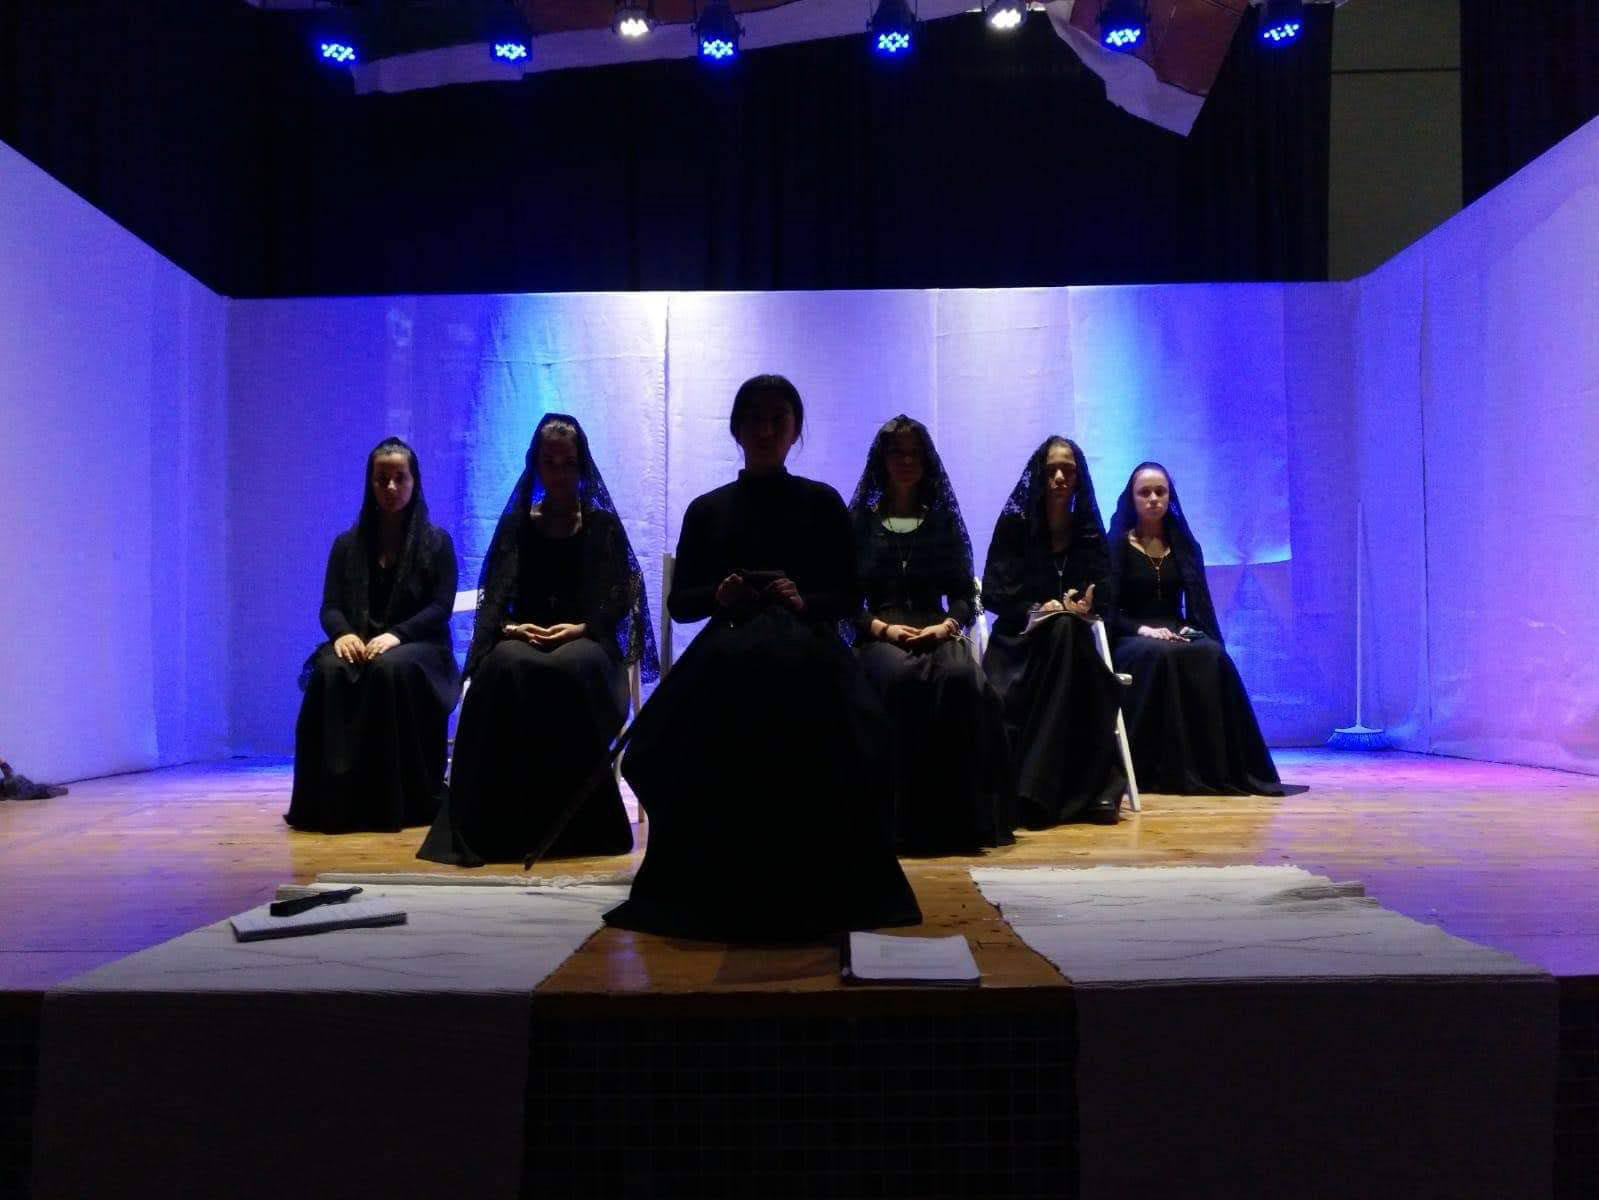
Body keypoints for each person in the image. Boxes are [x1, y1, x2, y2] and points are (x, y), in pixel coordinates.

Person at [605, 375, 922, 942]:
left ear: (795, 430)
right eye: (756, 418)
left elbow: (847, 597)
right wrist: (719, 595)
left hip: (809, 653)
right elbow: (681, 605)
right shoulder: (707, 510)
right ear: (737, 428)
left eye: (779, 420)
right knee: (666, 741)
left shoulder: (822, 504)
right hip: (726, 652)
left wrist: (802, 601)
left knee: (854, 732)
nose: (767, 430)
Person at [417, 415, 657, 865]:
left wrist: (581, 628)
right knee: (506, 667)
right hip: (522, 637)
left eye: (568, 463)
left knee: (570, 667)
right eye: (550, 462)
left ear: (581, 466)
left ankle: (578, 828)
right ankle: (498, 824)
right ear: (537, 465)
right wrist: (512, 629)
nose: (559, 473)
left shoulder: (602, 527)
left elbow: (621, 595)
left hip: (588, 643)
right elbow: (495, 598)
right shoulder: (518, 527)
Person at [847, 415, 1013, 853]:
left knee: (961, 678)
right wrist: (881, 628)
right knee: (903, 678)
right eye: (897, 452)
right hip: (880, 633)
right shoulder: (860, 524)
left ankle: (960, 823)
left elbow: (963, 593)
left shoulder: (941, 524)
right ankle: (904, 825)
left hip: (937, 628)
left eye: (914, 453)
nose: (906, 461)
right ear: (882, 460)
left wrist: (946, 626)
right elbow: (845, 600)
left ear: (926, 461)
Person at [287, 437, 460, 833]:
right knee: (329, 671)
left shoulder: (437, 543)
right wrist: (342, 634)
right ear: (370, 483)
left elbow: (440, 608)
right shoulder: (347, 545)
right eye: (382, 480)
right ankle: (335, 802)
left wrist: (397, 635)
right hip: (361, 642)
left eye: (400, 478)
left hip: (421, 647)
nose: (391, 488)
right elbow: (330, 606)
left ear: (414, 482)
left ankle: (396, 801)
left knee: (387, 670)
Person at [1102, 462, 1283, 795]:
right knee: (1160, 657)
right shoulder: (1116, 547)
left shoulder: (1184, 546)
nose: (1153, 499)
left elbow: (1197, 605)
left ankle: (1213, 766)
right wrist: (1143, 630)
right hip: (1129, 635)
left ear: (1170, 497)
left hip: (1174, 630)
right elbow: (1109, 611)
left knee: (1213, 656)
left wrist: (1190, 630)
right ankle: (1162, 767)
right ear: (1132, 498)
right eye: (1145, 492)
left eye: (1160, 492)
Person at [981, 436, 1127, 826]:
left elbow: (1105, 594)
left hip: (1069, 643)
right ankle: (1096, 785)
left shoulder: (1088, 532)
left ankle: (1034, 791)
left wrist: (1086, 606)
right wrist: (1036, 609)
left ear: (1079, 478)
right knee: (1067, 638)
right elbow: (994, 593)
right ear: (1039, 476)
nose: (1060, 477)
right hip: (1019, 644)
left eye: (1068, 471)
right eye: (1051, 471)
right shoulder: (1016, 526)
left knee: (1067, 630)